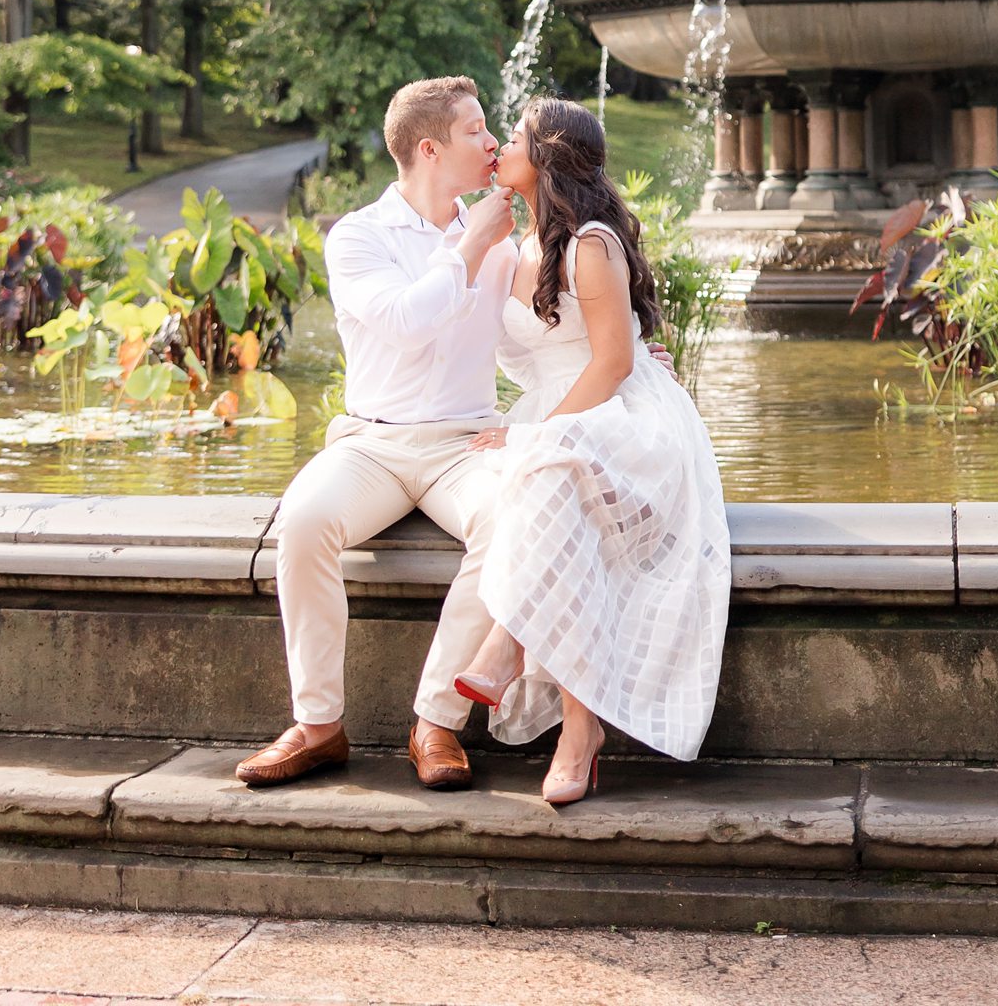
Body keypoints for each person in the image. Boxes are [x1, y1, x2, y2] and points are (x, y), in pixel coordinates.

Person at [234, 75, 518, 791]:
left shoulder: (500, 235)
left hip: (465, 443)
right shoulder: (358, 235)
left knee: (515, 520)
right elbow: (403, 323)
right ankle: (319, 727)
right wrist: (472, 243)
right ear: (429, 148)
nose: (492, 142)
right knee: (301, 520)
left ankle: (438, 721)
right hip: (375, 444)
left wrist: (630, 365)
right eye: (476, 130)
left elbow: (542, 331)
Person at [453, 97, 731, 806]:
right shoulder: (515, 247)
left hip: (627, 415)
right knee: (552, 486)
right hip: (565, 409)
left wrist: (535, 432)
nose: (499, 148)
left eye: (511, 137)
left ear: (545, 157)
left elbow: (609, 364)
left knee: (550, 464)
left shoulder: (593, 244)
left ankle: (509, 644)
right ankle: (581, 729)